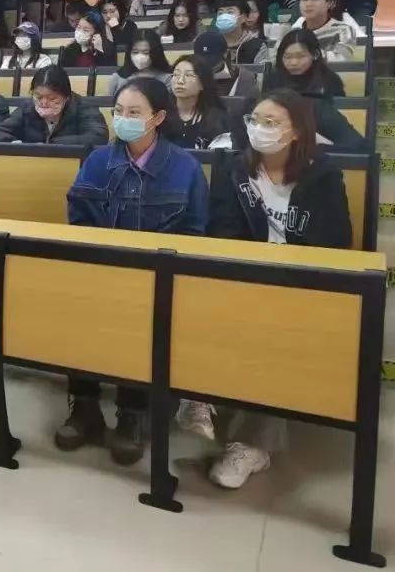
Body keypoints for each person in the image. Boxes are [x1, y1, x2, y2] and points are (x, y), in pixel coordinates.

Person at [196, 88, 352, 488]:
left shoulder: (323, 176)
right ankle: (199, 397)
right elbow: (222, 232)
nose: (259, 129)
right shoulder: (235, 170)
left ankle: (253, 445)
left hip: (302, 285)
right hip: (245, 277)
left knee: (275, 330)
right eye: (254, 121)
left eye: (271, 122)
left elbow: (335, 244)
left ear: (296, 130)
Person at [62, 78, 208, 465]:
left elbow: (195, 232)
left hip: (158, 278)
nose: (123, 119)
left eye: (134, 112)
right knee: (78, 308)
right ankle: (85, 407)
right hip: (101, 271)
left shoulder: (185, 168)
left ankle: (132, 413)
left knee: (144, 317)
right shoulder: (97, 161)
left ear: (157, 117)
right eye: (119, 111)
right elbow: (78, 216)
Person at [0, 65, 108, 146]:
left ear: (67, 97)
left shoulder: (83, 108)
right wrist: (15, 143)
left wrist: (51, 144)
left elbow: (99, 137)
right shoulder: (27, 107)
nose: (44, 103)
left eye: (52, 98)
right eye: (38, 97)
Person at [168, 55, 230, 149]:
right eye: (176, 74)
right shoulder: (161, 114)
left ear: (203, 83)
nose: (180, 81)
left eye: (188, 75)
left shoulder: (217, 120)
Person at [264, 28, 344, 98]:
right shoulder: (274, 79)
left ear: (315, 54)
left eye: (300, 56)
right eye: (288, 57)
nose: (294, 62)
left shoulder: (329, 80)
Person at [292, 0, 357, 61]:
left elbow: (342, 58)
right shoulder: (293, 31)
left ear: (331, 3)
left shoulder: (344, 30)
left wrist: (302, 56)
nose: (308, 4)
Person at [106, 29, 174, 96]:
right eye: (135, 52)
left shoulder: (167, 79)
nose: (140, 57)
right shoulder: (117, 78)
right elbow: (108, 102)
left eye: (146, 53)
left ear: (155, 53)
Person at [192, 32, 260, 99]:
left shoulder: (243, 79)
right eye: (201, 58)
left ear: (226, 53)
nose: (206, 64)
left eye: (210, 58)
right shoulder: (190, 77)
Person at [214, 0, 269, 66]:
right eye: (220, 13)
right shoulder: (209, 43)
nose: (224, 16)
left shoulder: (257, 46)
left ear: (243, 17)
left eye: (230, 12)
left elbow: (261, 71)